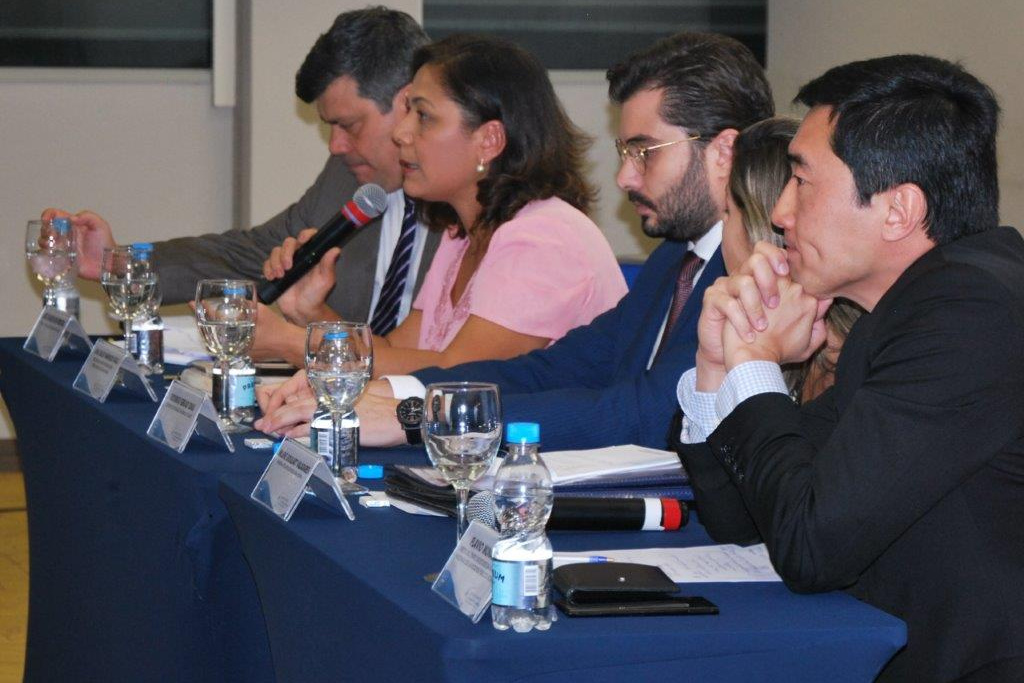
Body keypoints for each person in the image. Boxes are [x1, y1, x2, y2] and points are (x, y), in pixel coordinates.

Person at [676, 55, 1024, 681]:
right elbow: (743, 521)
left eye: (802, 181)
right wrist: (716, 367)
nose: (781, 213)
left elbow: (811, 548)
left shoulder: (967, 313)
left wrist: (755, 364)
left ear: (898, 210)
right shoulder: (911, 309)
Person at [256, 31, 774, 451]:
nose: (624, 178)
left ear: (724, 152)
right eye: (625, 153)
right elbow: (554, 369)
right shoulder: (674, 262)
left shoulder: (755, 274)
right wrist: (388, 393)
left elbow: (644, 413)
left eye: (645, 152)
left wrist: (415, 415)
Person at [42, 7, 440, 354]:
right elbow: (248, 254)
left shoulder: (466, 205)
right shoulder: (347, 178)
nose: (336, 146)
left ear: (408, 103)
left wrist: (290, 339)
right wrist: (120, 264)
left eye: (348, 125)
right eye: (329, 127)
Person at [256, 33, 626, 399]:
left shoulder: (545, 239)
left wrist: (291, 344)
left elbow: (460, 379)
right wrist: (311, 311)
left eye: (423, 116)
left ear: (489, 140)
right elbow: (394, 351)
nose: (401, 133)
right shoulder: (461, 233)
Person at [720, 116, 860, 401]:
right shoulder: (854, 348)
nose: (722, 227)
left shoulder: (844, 373)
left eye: (727, 212)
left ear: (758, 229)